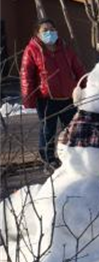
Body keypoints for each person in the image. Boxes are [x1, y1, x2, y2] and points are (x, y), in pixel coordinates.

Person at [20, 18, 86, 167]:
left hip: (68, 97)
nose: (49, 33)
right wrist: (28, 98)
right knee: (47, 131)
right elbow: (26, 75)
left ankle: (72, 156)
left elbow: (78, 68)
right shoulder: (32, 50)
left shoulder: (64, 48)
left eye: (52, 29)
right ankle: (48, 160)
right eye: (45, 30)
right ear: (37, 33)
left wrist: (86, 86)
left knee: (72, 129)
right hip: (46, 99)